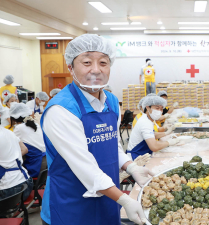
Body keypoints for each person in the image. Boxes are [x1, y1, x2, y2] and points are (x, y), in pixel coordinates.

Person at [40, 34, 152, 225]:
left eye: (103, 62)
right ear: (70, 67)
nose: (96, 70)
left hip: (108, 198)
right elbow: (85, 167)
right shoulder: (61, 110)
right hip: (71, 206)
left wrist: (130, 166)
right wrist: (124, 199)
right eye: (86, 62)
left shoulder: (112, 102)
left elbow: (111, 144)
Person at [126, 95, 180, 161]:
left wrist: (167, 133)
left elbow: (151, 135)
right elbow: (154, 146)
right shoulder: (145, 122)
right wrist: (169, 142)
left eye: (161, 109)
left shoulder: (149, 119)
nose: (159, 111)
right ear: (148, 107)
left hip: (143, 154)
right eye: (157, 108)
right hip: (136, 157)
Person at [10, 103, 46, 178]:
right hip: (45, 163)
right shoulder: (35, 125)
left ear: (14, 117)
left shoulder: (19, 128)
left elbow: (11, 143)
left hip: (35, 164)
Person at [0, 125, 33, 203]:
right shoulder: (9, 132)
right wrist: (10, 159)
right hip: (26, 183)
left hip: (9, 189)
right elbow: (24, 149)